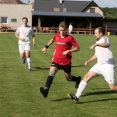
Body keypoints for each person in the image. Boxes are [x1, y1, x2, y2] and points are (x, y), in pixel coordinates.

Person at [67, 27, 117, 104]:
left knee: (112, 87)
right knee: (86, 77)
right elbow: (97, 55)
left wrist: (96, 44)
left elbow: (107, 44)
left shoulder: (105, 38)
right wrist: (88, 61)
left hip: (108, 66)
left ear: (100, 33)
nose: (94, 35)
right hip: (99, 65)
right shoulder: (98, 43)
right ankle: (76, 97)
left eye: (96, 33)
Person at [40, 22, 81, 98]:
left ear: (66, 30)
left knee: (69, 78)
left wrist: (68, 51)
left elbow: (78, 48)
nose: (61, 32)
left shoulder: (70, 38)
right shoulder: (56, 36)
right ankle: (46, 90)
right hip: (56, 60)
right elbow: (52, 40)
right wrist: (46, 47)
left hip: (66, 61)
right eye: (60, 30)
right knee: (51, 73)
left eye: (63, 30)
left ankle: (77, 79)